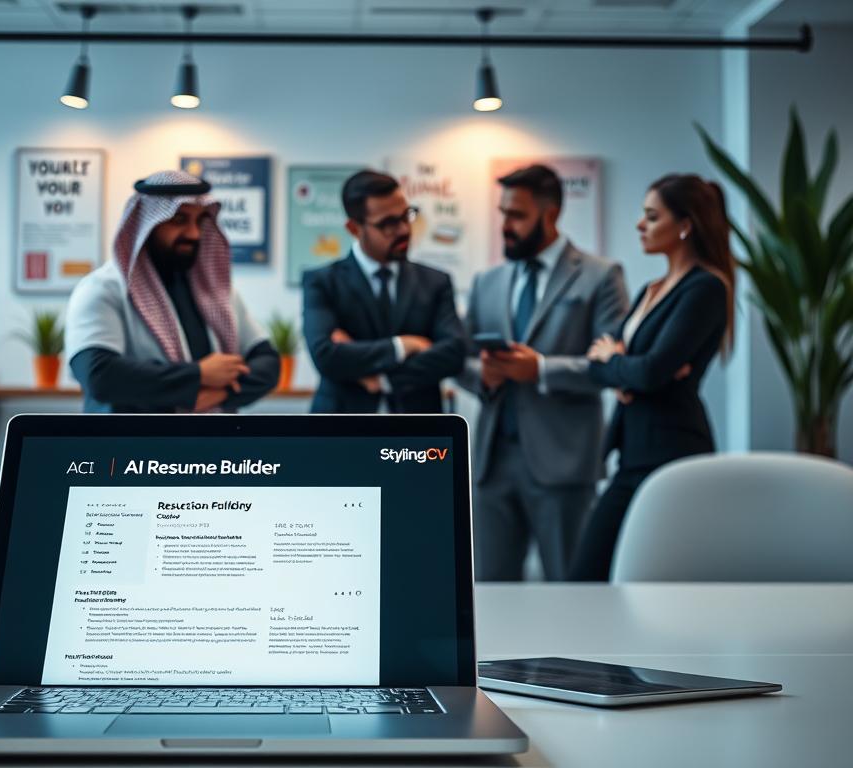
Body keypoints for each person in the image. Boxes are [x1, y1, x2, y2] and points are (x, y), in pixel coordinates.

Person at [459, 164, 629, 582]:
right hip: (490, 463)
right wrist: (483, 376)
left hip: (565, 463)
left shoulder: (601, 276)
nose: (505, 226)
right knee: (488, 593)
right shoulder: (487, 282)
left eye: (516, 215)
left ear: (550, 214)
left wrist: (539, 369)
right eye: (502, 213)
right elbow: (459, 359)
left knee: (570, 590)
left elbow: (611, 367)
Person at [569, 173, 736, 581]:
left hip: (671, 450)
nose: (640, 225)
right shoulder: (651, 289)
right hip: (633, 451)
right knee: (589, 575)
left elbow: (650, 371)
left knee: (649, 579)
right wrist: (629, 369)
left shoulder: (706, 288)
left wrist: (629, 367)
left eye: (651, 216)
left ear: (685, 225)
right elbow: (599, 362)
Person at [65, 170, 279, 413]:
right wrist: (199, 375)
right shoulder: (103, 289)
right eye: (179, 220)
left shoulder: (218, 292)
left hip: (211, 447)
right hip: (130, 448)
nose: (193, 233)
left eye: (199, 221)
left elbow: (268, 364)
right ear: (147, 224)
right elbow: (99, 375)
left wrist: (221, 394)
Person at [302, 170, 466, 413]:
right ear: (354, 228)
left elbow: (454, 354)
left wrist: (382, 379)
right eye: (388, 223)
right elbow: (326, 356)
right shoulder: (322, 281)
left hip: (417, 433)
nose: (403, 230)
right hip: (340, 431)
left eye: (406, 216)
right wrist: (402, 346)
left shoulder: (436, 282)